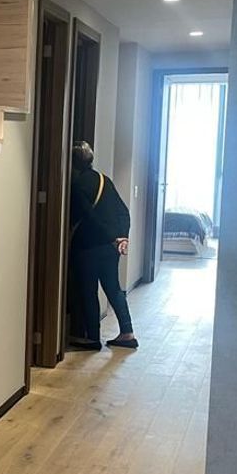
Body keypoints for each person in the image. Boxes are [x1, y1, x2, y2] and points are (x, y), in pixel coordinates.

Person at [69, 141, 138, 351]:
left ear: (73, 163)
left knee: (88, 291)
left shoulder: (77, 185)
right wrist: (122, 237)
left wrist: (112, 238)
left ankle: (92, 338)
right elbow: (123, 211)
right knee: (113, 288)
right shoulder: (104, 180)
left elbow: (90, 217)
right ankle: (127, 333)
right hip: (111, 248)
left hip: (88, 246)